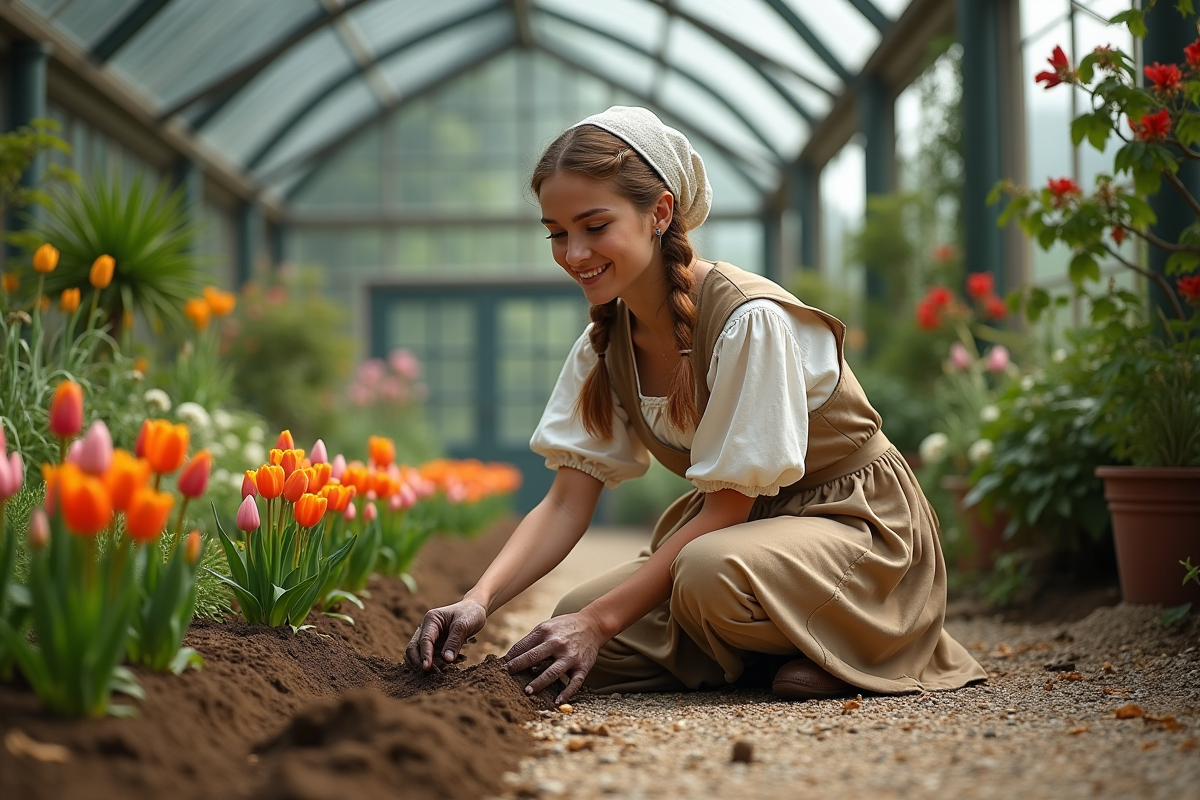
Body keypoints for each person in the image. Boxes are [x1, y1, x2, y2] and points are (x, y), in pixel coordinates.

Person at [406, 106, 987, 705]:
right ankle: (770, 653)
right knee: (572, 612)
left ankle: (855, 647)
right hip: (748, 536)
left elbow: (727, 511)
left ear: (659, 212)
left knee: (700, 575)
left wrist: (601, 626)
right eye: (556, 232)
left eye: (594, 226)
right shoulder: (605, 344)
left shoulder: (746, 319)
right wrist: (477, 599)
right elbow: (564, 502)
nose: (574, 252)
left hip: (854, 527)